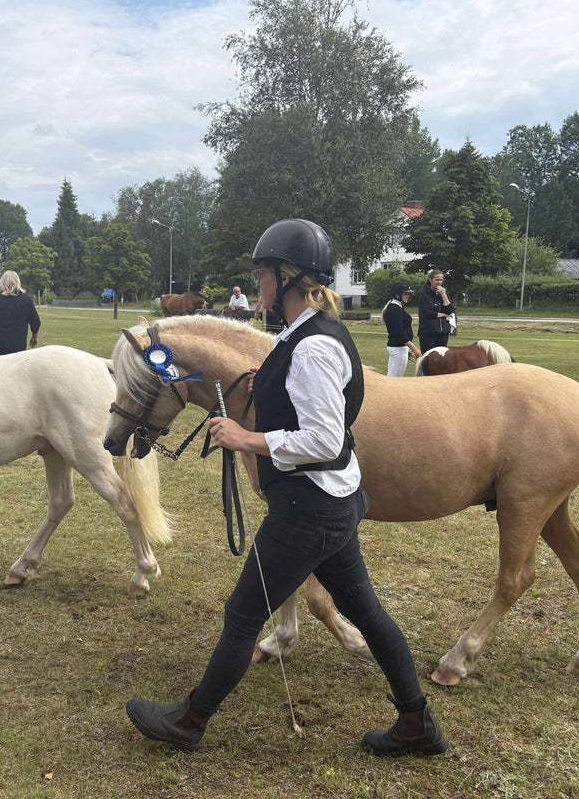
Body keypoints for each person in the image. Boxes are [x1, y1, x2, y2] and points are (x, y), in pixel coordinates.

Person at [124, 219, 448, 757]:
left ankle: (188, 721)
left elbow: (322, 438)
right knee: (366, 612)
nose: (258, 285)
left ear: (287, 275)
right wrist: (265, 388)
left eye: (262, 274)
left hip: (308, 508)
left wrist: (246, 437)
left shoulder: (311, 347)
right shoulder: (310, 333)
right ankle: (417, 723)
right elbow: (318, 405)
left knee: (243, 616)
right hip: (335, 501)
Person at [0, 270, 40, 355]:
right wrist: (34, 336)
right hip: (18, 343)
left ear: (2, 282)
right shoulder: (26, 300)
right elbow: (35, 321)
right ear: (18, 282)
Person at [382, 281, 421, 376]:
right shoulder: (394, 309)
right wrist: (415, 349)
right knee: (395, 379)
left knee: (392, 377)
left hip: (399, 347)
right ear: (397, 295)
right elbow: (400, 333)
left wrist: (407, 349)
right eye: (405, 294)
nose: (408, 296)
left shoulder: (397, 307)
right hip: (398, 348)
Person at [417, 269, 455, 353]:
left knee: (441, 359)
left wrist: (444, 295)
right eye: (437, 280)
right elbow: (427, 313)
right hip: (429, 332)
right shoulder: (423, 294)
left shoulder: (442, 293)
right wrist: (443, 314)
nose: (439, 282)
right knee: (429, 358)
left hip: (443, 332)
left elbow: (450, 310)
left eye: (441, 280)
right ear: (430, 280)